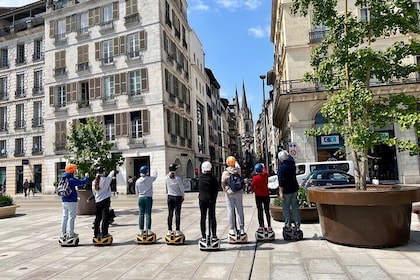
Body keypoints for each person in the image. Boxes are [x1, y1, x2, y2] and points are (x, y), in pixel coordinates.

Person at [60, 163, 89, 239]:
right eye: (75, 170)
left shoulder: (63, 178)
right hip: (71, 200)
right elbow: (82, 182)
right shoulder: (72, 180)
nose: (76, 171)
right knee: (71, 217)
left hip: (64, 200)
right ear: (72, 171)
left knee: (64, 217)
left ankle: (63, 233)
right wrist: (86, 177)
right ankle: (71, 233)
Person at [221, 156, 245, 236]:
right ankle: (242, 228)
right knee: (240, 210)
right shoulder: (238, 170)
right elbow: (238, 166)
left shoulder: (225, 172)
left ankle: (232, 229)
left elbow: (222, 183)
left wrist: (226, 189)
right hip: (238, 192)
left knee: (230, 210)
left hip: (229, 193)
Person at [277, 150, 301, 231]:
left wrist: (280, 192)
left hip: (286, 191)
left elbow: (281, 181)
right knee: (295, 207)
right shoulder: (292, 164)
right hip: (294, 188)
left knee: (286, 208)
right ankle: (297, 225)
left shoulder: (281, 168)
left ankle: (288, 225)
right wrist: (287, 153)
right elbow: (290, 158)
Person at [198, 161, 219, 241]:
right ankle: (214, 235)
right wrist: (214, 198)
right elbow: (216, 189)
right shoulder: (213, 178)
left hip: (202, 200)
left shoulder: (200, 177)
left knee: (203, 217)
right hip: (211, 200)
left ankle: (203, 236)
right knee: (212, 217)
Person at [92, 166, 115, 238]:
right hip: (105, 200)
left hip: (97, 201)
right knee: (105, 217)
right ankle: (105, 233)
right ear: (103, 172)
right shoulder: (106, 180)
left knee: (98, 217)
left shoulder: (94, 182)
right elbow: (112, 173)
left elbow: (94, 192)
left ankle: (96, 233)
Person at [135, 165, 158, 236]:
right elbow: (155, 176)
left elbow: (136, 191)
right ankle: (148, 229)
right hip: (148, 197)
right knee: (148, 214)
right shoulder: (149, 179)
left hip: (140, 197)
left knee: (141, 214)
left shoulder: (138, 181)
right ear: (146, 172)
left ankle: (141, 230)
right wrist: (155, 171)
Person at [250, 163, 272, 233]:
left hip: (258, 196)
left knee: (260, 211)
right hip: (266, 195)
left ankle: (261, 226)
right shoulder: (265, 176)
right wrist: (263, 166)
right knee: (267, 211)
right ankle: (269, 226)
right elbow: (265, 171)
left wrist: (254, 191)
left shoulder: (255, 178)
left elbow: (252, 187)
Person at [165, 163, 185, 236]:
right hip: (177, 197)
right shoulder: (178, 179)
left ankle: (169, 229)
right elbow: (181, 189)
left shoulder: (166, 177)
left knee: (170, 214)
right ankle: (177, 229)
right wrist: (183, 196)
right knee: (177, 214)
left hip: (170, 196)